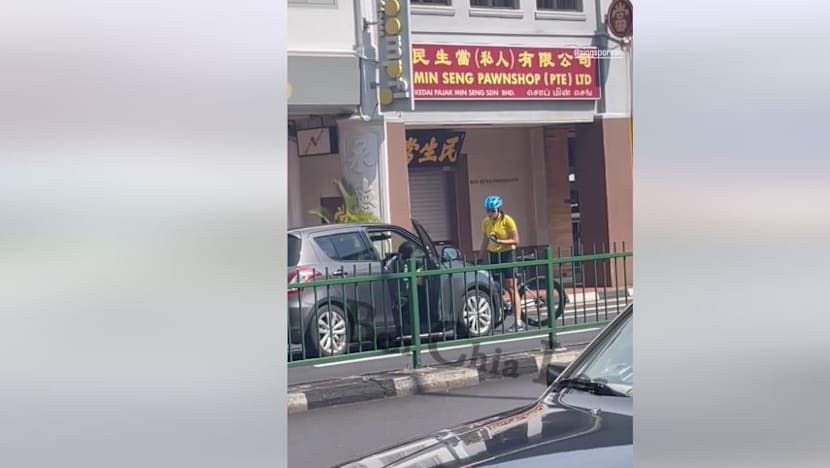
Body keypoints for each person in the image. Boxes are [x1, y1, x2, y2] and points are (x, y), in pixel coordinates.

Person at [477, 195, 524, 331]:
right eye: (488, 211)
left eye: (493, 211)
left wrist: (500, 242)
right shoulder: (486, 222)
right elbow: (485, 240)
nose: (490, 213)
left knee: (511, 287)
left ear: (499, 209)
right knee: (494, 286)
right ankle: (498, 313)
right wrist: (480, 258)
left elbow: (516, 240)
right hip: (493, 254)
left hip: (507, 254)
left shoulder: (507, 220)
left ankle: (518, 322)